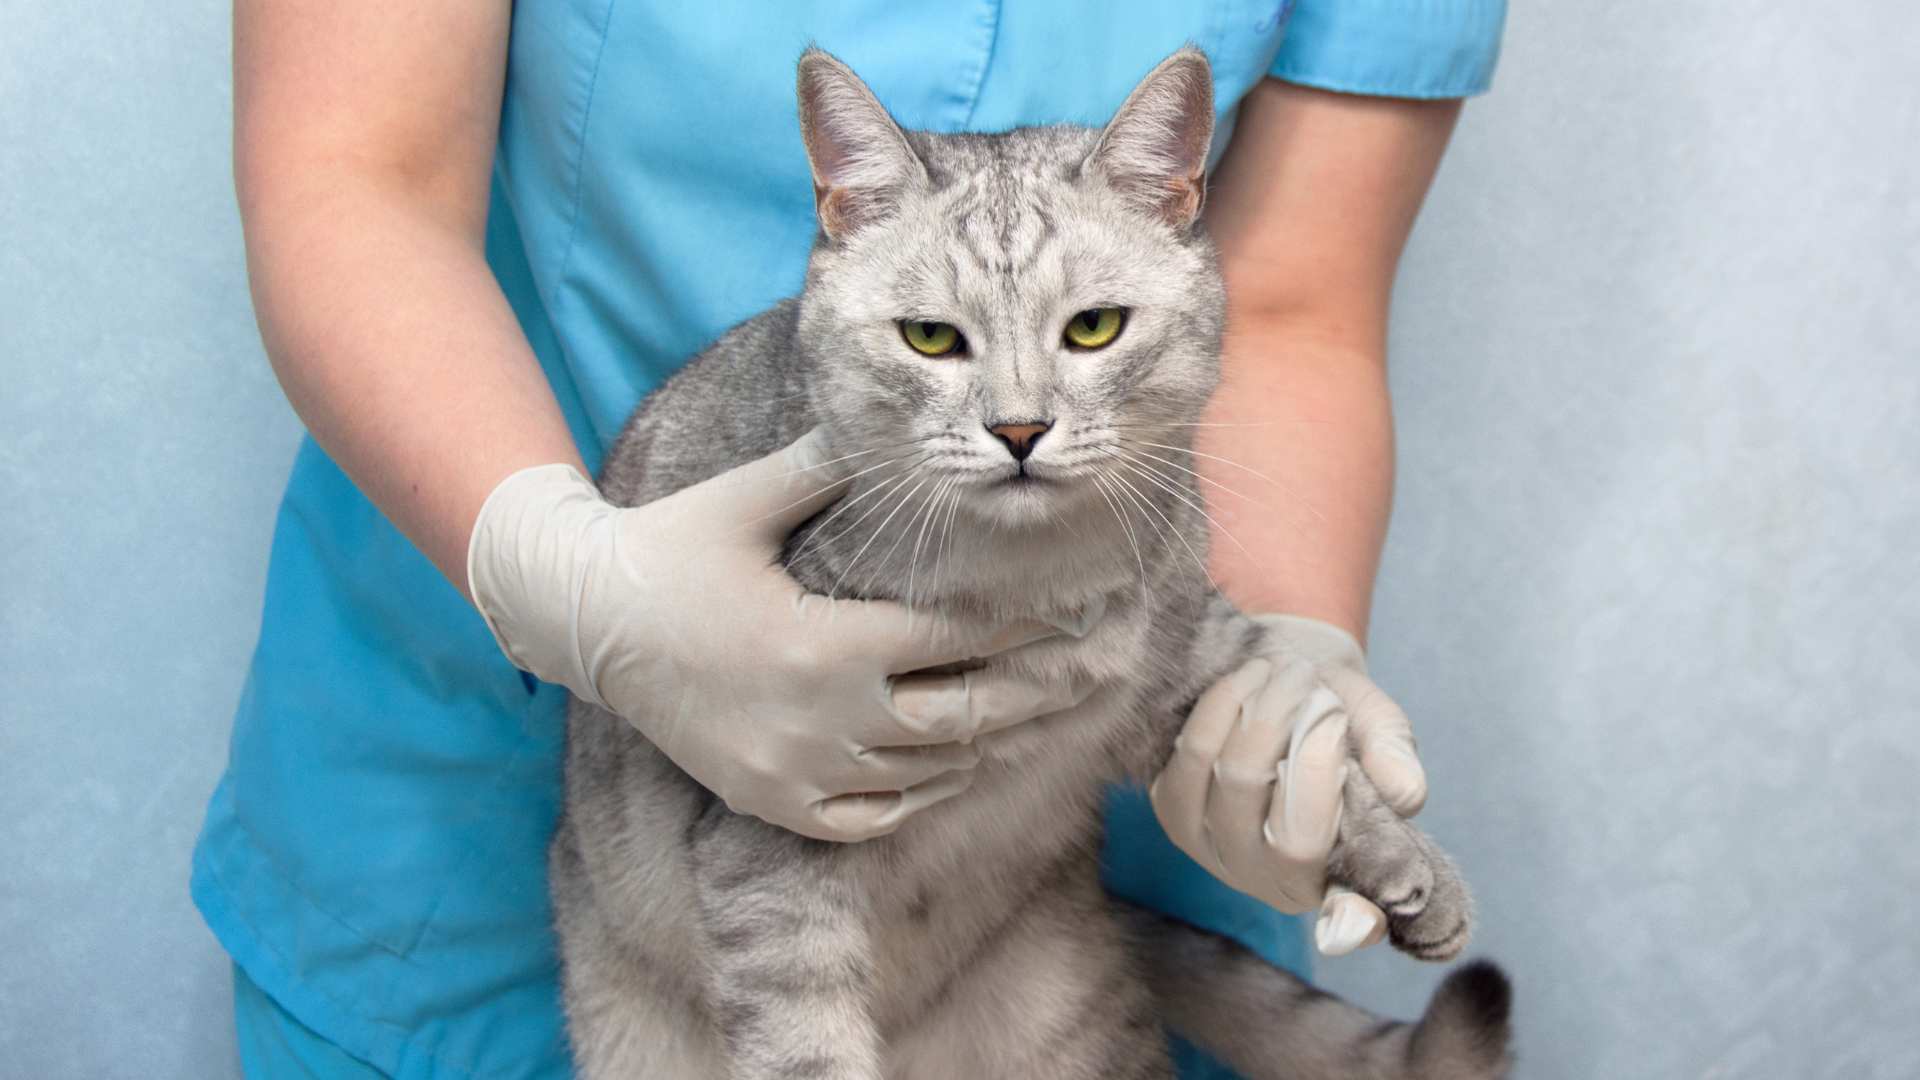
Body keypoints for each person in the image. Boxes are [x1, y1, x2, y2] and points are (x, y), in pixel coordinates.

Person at [197, 3, 1506, 1077]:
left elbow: (1288, 300)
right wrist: (568, 574)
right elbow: (352, 180)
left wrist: (1282, 673)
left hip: (1032, 890)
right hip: (471, 794)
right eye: (941, 342)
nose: (1016, 420)